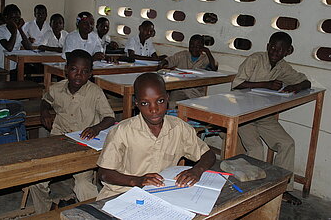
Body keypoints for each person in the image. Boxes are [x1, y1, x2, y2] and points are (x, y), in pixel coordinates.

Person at [96, 72, 215, 200]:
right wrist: (137, 181)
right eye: (145, 103)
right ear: (136, 103)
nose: (154, 109)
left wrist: (196, 170)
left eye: (160, 101)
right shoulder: (122, 131)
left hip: (159, 194)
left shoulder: (178, 128)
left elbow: (208, 154)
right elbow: (103, 173)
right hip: (121, 194)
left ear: (167, 98)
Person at [30, 49, 115, 214]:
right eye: (74, 69)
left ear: (90, 74)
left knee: (83, 185)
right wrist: (44, 111)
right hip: (58, 140)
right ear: (66, 70)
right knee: (36, 181)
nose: (78, 75)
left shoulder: (95, 92)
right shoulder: (56, 88)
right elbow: (46, 100)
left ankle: (97, 215)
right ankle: (46, 213)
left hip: (84, 145)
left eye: (84, 72)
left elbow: (110, 118)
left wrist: (96, 128)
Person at [232, 31, 311, 205]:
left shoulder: (282, 66)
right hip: (243, 114)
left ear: (288, 51)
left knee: (287, 143)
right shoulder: (255, 59)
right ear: (267, 46)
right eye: (273, 47)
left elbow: (306, 82)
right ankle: (253, 192)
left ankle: (281, 189)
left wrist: (295, 86)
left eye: (281, 49)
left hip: (263, 115)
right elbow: (237, 85)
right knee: (256, 149)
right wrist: (265, 84)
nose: (275, 51)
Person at [160, 34, 219, 108]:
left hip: (196, 90)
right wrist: (164, 62)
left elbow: (214, 68)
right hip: (179, 88)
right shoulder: (182, 55)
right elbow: (170, 60)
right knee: (171, 104)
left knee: (196, 107)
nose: (194, 48)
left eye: (198, 46)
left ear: (202, 47)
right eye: (192, 45)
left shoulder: (205, 59)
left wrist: (208, 52)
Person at [0, 4, 32, 75]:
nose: (16, 20)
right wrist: (15, 30)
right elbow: (9, 48)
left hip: (13, 68)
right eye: (13, 18)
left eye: (18, 18)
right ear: (6, 18)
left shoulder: (19, 31)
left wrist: (20, 29)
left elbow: (29, 48)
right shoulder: (0, 30)